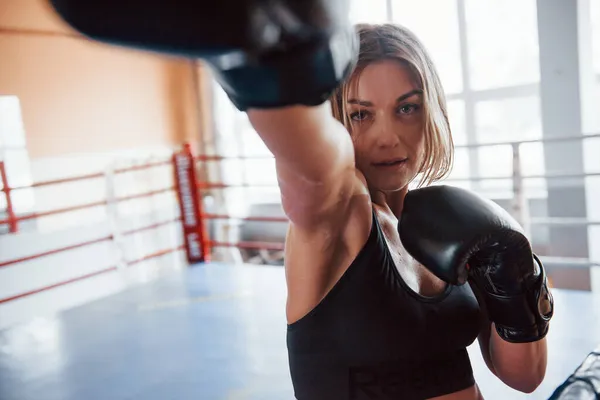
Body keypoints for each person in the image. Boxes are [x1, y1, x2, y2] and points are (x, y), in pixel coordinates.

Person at [47, 1, 554, 398]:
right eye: (360, 114)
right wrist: (257, 46)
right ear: (336, 118)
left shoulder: (449, 230)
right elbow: (310, 149)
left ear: (432, 110)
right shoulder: (340, 210)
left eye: (407, 108)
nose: (387, 137)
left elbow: (524, 378)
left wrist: (516, 280)